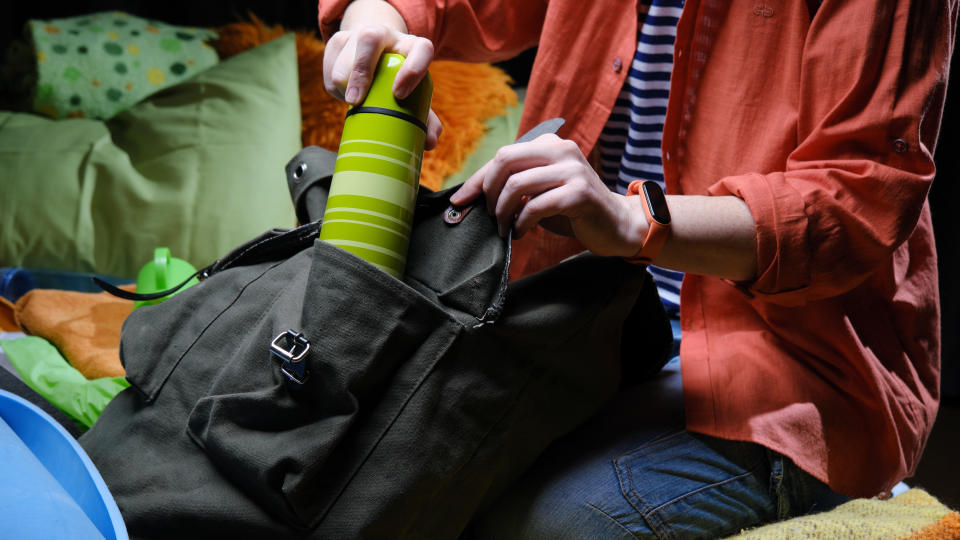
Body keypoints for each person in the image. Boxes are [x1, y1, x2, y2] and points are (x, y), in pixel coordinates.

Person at [317, 0, 955, 537]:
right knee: (365, 474)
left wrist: (631, 222)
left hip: (789, 365)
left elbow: (857, 200)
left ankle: (854, 490)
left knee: (550, 526)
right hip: (577, 334)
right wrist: (378, 15)